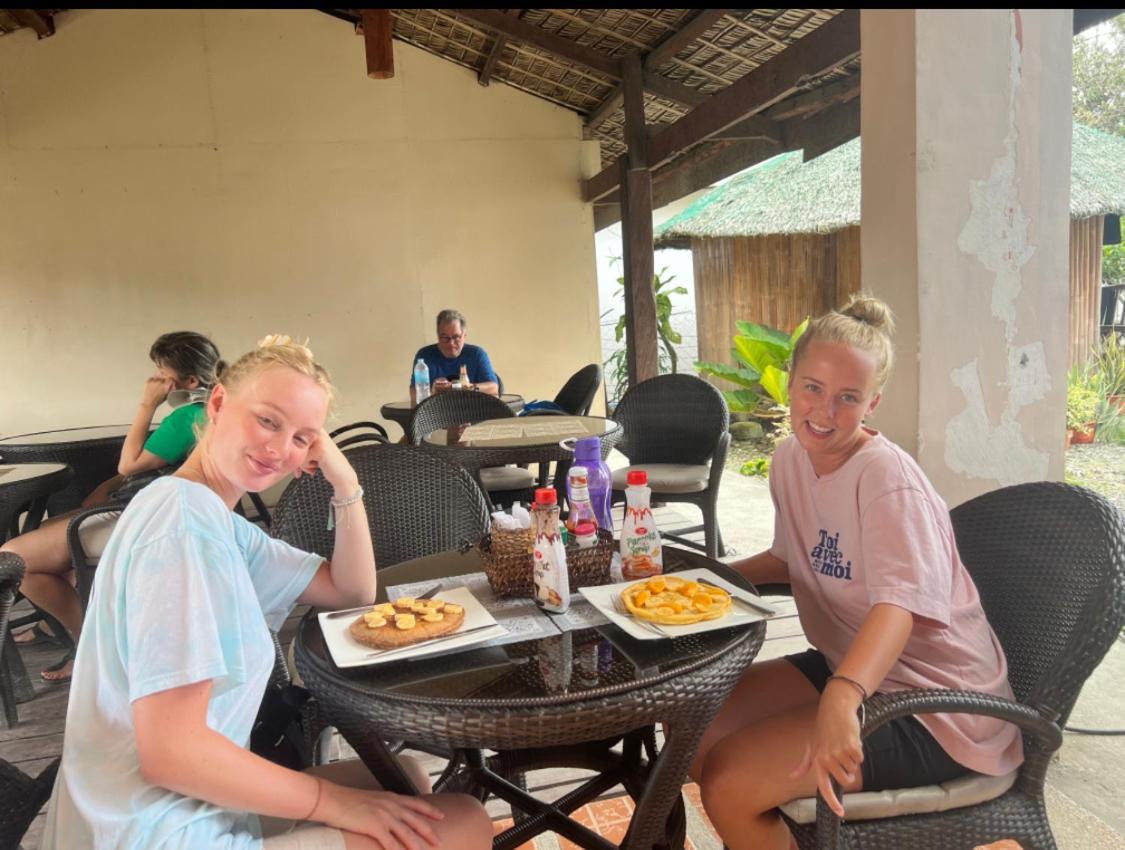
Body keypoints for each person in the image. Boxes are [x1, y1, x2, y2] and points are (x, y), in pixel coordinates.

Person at [40, 335, 493, 850]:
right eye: (267, 420)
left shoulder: (215, 521)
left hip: (186, 803)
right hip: (148, 829)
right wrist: (333, 805)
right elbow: (170, 751)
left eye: (302, 438)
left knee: (405, 775)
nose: (279, 449)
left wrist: (346, 484)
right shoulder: (180, 527)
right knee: (462, 822)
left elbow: (352, 588)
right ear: (216, 403)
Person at [692, 295, 1023, 850]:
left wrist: (841, 698)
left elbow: (899, 607)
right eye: (813, 388)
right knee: (698, 729)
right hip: (855, 666)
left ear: (873, 403)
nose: (824, 412)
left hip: (940, 705)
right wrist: (701, 577)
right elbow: (790, 560)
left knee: (729, 782)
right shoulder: (790, 461)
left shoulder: (887, 481)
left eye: (848, 397)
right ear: (789, 382)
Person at [3, 330, 224, 683]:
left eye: (160, 373)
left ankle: (88, 648)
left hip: (145, 519)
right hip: (160, 509)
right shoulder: (213, 410)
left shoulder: (185, 418)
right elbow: (148, 468)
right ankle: (57, 619)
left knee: (15, 560)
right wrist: (108, 485)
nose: (153, 380)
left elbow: (128, 464)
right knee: (46, 533)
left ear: (190, 380)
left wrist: (147, 404)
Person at [408, 309, 499, 403]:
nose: (451, 343)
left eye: (456, 337)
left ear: (464, 336)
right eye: (445, 338)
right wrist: (433, 392)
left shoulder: (477, 354)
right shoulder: (424, 356)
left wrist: (466, 388)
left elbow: (493, 388)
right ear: (438, 336)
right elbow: (413, 394)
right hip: (436, 413)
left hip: (473, 412)